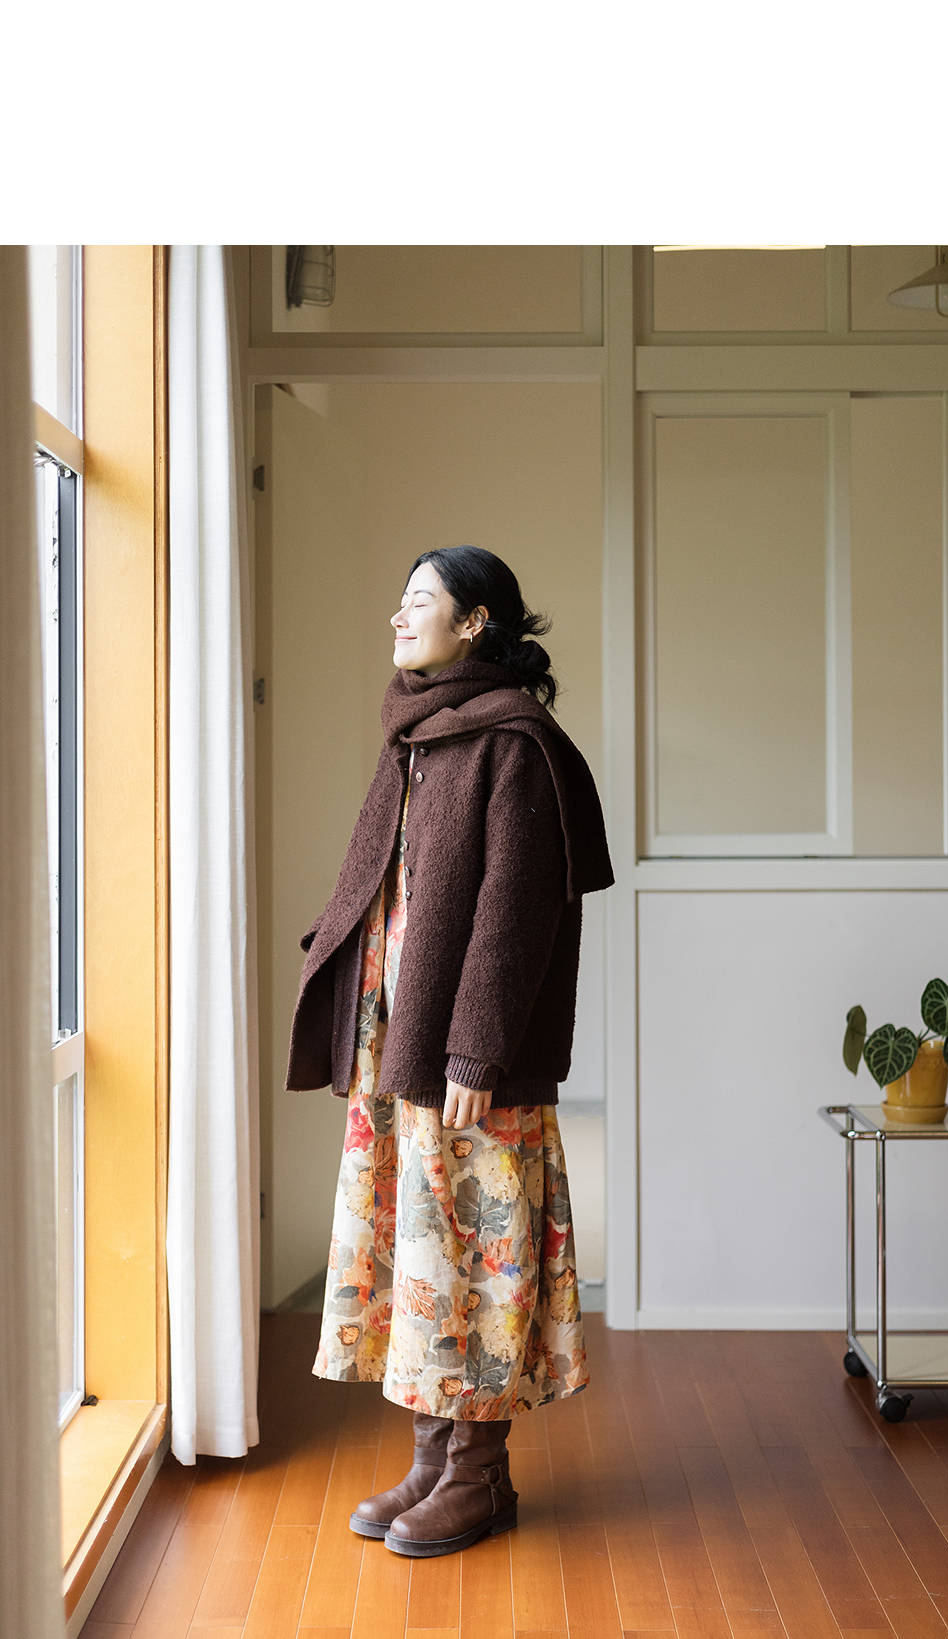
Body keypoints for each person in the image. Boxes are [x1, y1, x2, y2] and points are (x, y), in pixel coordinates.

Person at [284, 544, 614, 1559]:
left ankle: (478, 1471)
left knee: (472, 1247)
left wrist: (476, 1051)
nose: (398, 615)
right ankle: (437, 1460)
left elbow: (515, 913)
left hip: (463, 1052)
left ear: (475, 622)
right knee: (420, 1249)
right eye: (398, 599)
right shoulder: (421, 731)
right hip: (402, 1037)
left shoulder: (515, 742)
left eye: (419, 600)